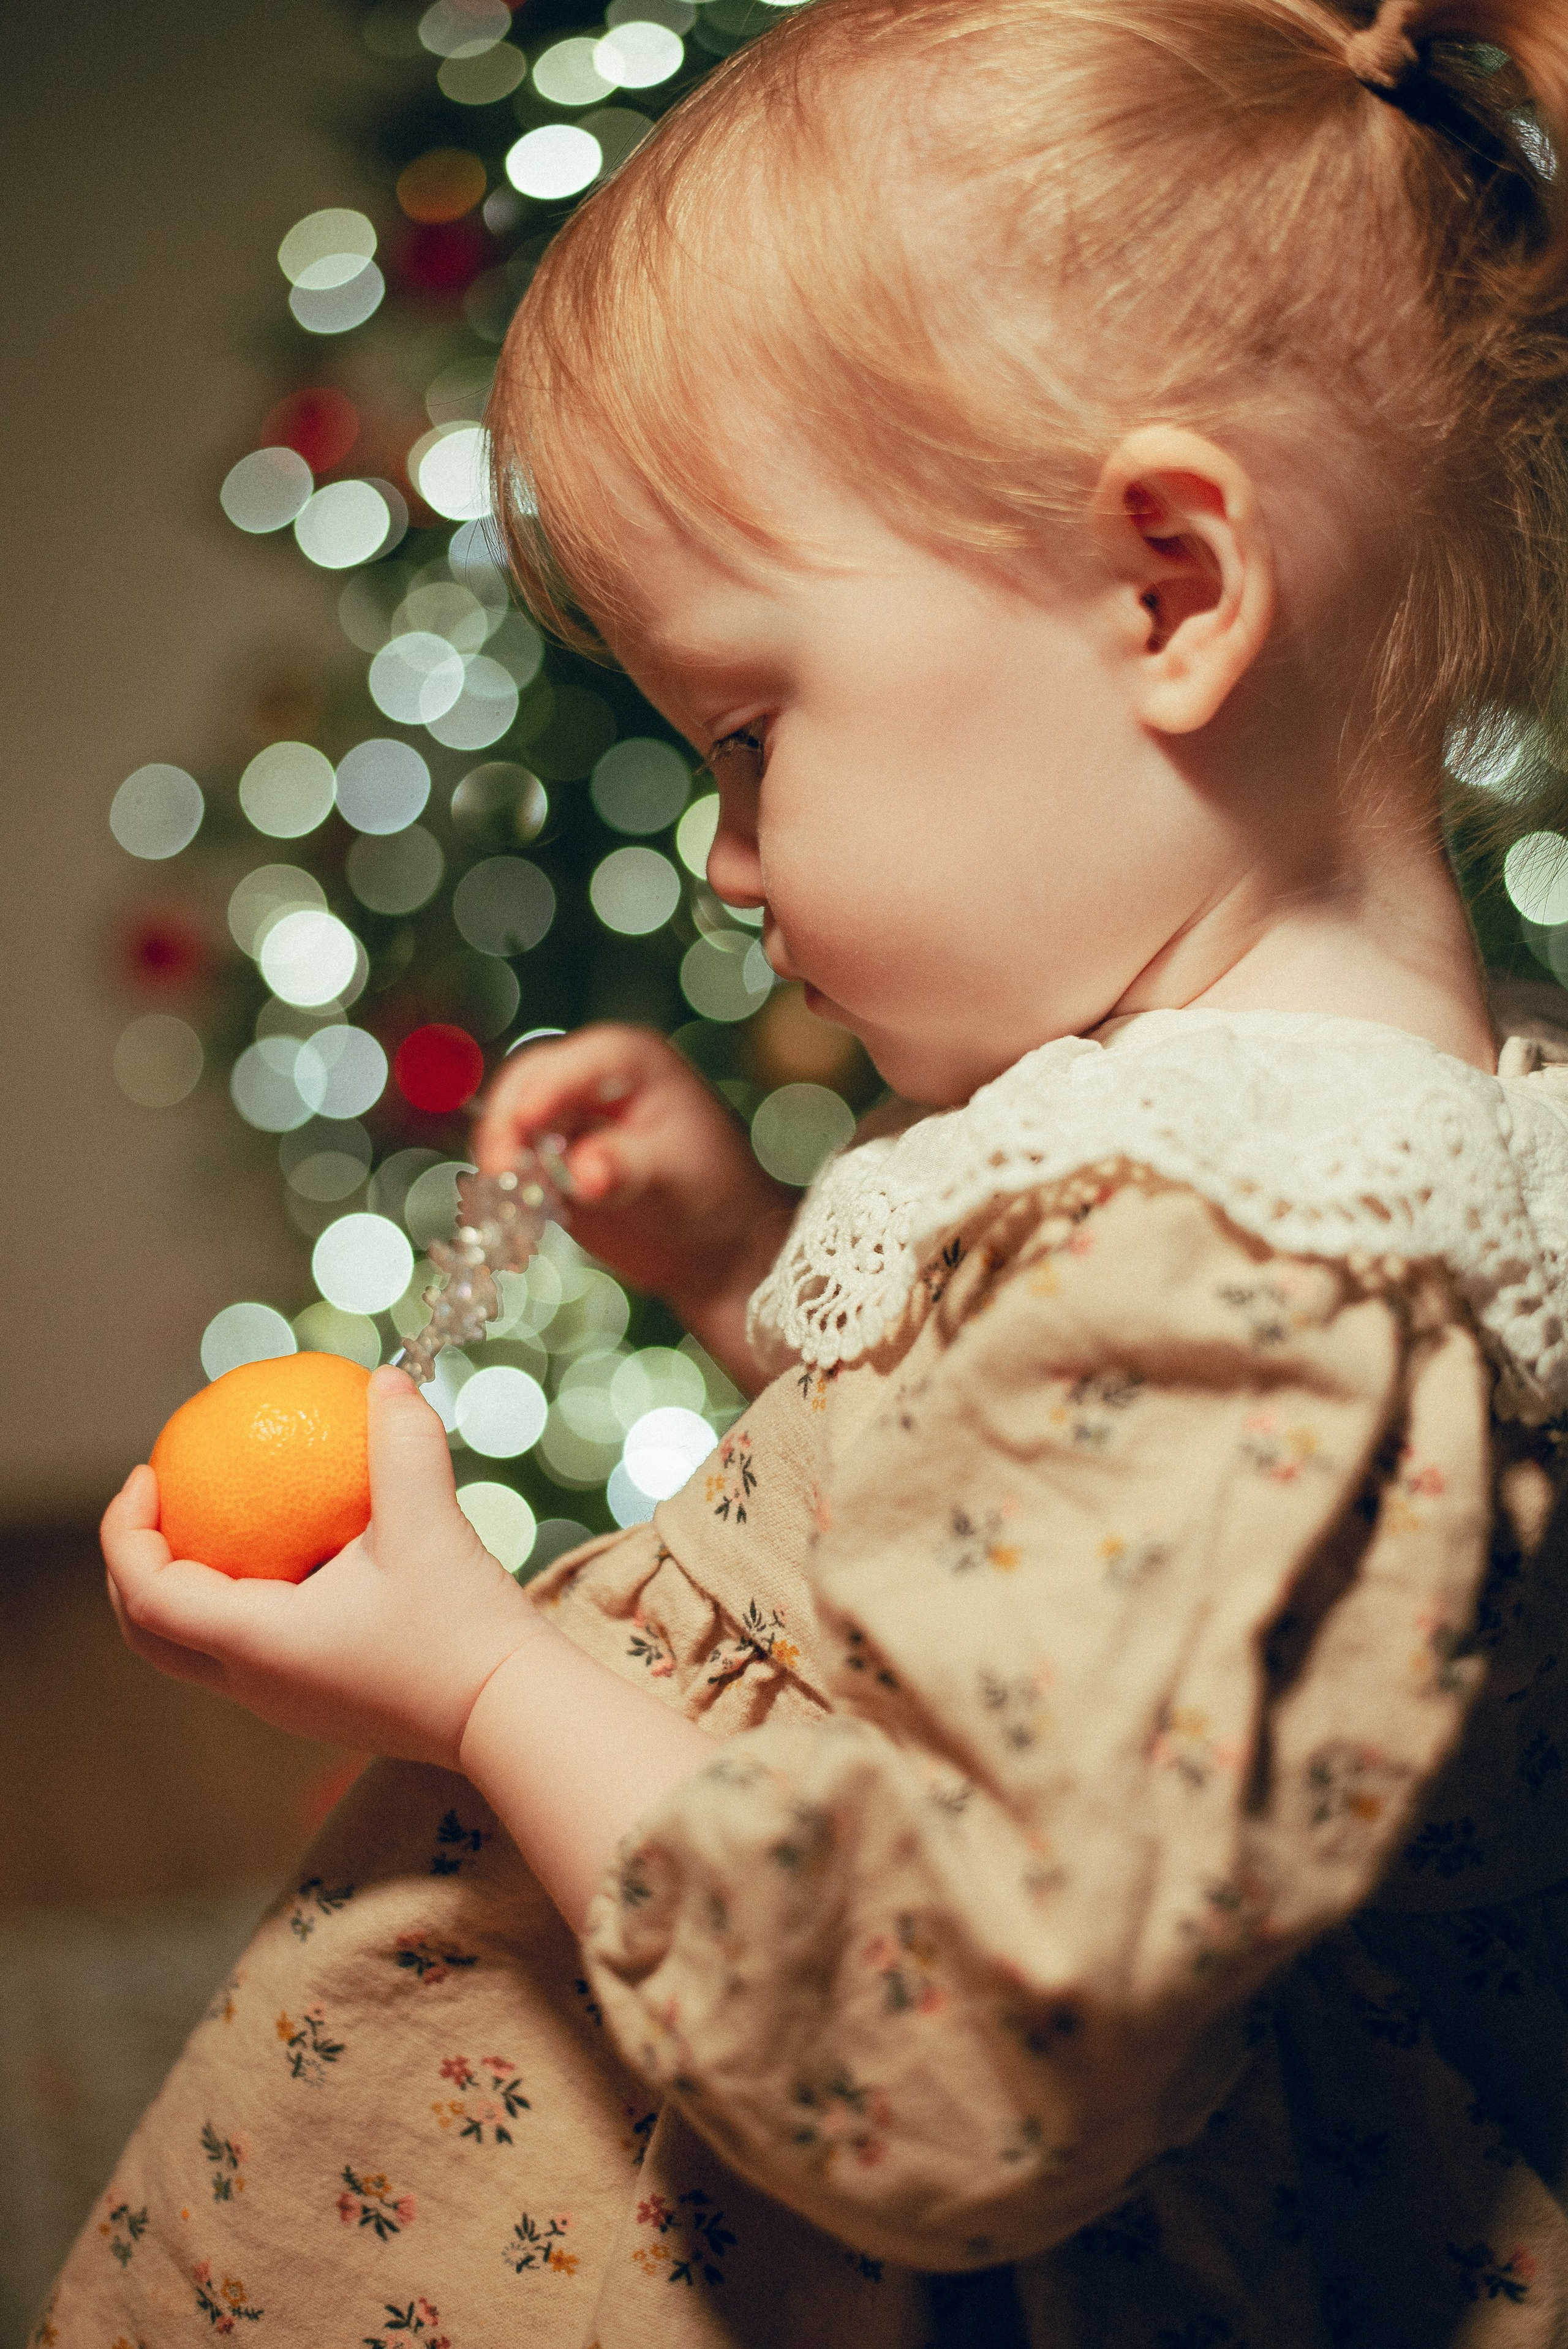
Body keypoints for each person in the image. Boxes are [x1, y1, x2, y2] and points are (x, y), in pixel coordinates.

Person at [37, 0, 1568, 2340]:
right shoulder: (1235, 1183)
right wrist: (742, 1255)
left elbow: (954, 2058)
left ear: (1169, 587)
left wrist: (471, 1684)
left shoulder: (1248, 1270)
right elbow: (990, 1504)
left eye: (750, 740)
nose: (733, 866)